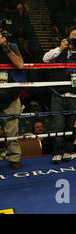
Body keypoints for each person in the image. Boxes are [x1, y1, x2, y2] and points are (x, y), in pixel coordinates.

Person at [43, 26, 76, 164]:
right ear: (68, 37)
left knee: (72, 126)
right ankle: (56, 153)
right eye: (74, 35)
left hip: (75, 95)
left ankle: (67, 151)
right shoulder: (60, 51)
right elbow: (45, 59)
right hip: (58, 94)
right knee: (57, 126)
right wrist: (60, 48)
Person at [0, 28, 26, 169]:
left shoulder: (11, 46)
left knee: (12, 130)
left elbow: (20, 64)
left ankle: (14, 158)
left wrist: (6, 49)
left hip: (10, 95)